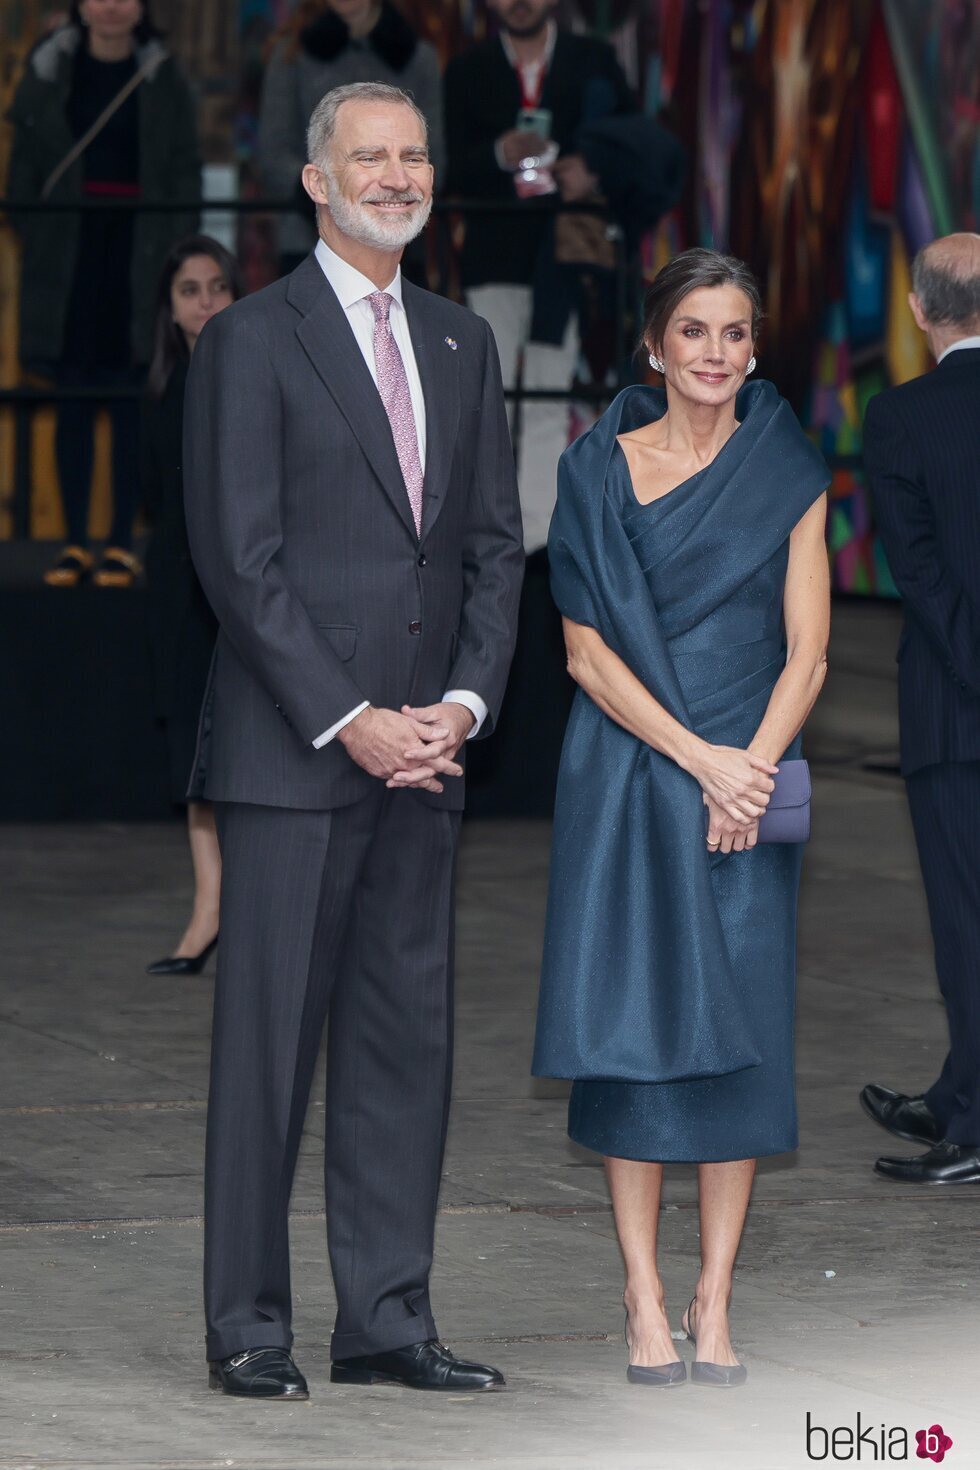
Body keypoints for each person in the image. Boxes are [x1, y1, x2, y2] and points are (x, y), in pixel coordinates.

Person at [184, 81, 524, 1400]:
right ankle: (249, 1325)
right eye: (367, 156)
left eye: (414, 155)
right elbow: (240, 560)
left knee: (402, 1050)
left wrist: (464, 706)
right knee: (266, 1058)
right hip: (294, 756)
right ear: (314, 183)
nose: (397, 174)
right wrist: (352, 718)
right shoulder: (251, 342)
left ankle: (385, 1317)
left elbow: (493, 548)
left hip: (426, 763)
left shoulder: (459, 342)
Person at [533, 249, 830, 1387]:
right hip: (630, 775)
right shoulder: (595, 470)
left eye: (736, 335)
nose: (715, 354)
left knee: (743, 1036)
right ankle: (641, 1296)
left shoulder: (786, 467)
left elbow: (807, 652)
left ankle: (712, 1296)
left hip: (747, 782)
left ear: (754, 348)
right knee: (634, 1036)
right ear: (654, 343)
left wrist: (746, 770)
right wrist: (700, 760)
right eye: (694, 332)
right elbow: (582, 654)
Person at [859, 233, 980, 1187]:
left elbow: (923, 575)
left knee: (966, 922)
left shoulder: (900, 416)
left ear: (918, 312)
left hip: (956, 709)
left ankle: (972, 1127)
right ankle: (956, 1091)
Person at [6, 0, 200, 588]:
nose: (111, 7)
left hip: (139, 253)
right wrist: (42, 236)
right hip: (68, 253)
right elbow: (22, 177)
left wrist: (171, 252)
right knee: (70, 398)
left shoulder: (165, 75)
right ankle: (70, 544)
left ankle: (119, 541)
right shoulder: (47, 70)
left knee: (129, 400)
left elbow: (183, 174)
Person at [443, 0, 633, 555]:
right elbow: (449, 169)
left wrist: (588, 168)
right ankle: (489, 542)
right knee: (489, 399)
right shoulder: (468, 69)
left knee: (551, 394)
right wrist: (501, 153)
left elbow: (631, 144)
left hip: (564, 257)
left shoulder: (593, 61)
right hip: (493, 252)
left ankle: (540, 547)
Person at [141, 236, 242, 978]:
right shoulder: (163, 385)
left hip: (244, 584)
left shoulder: (255, 370)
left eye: (216, 287)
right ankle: (208, 910)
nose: (205, 301)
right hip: (180, 587)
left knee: (248, 753)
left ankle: (243, 912)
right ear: (169, 308)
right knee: (195, 755)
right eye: (189, 290)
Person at [257, 0, 444, 277]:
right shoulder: (292, 55)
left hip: (397, 243)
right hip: (308, 237)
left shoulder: (417, 57)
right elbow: (273, 153)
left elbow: (434, 156)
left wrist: (395, 191)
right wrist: (331, 195)